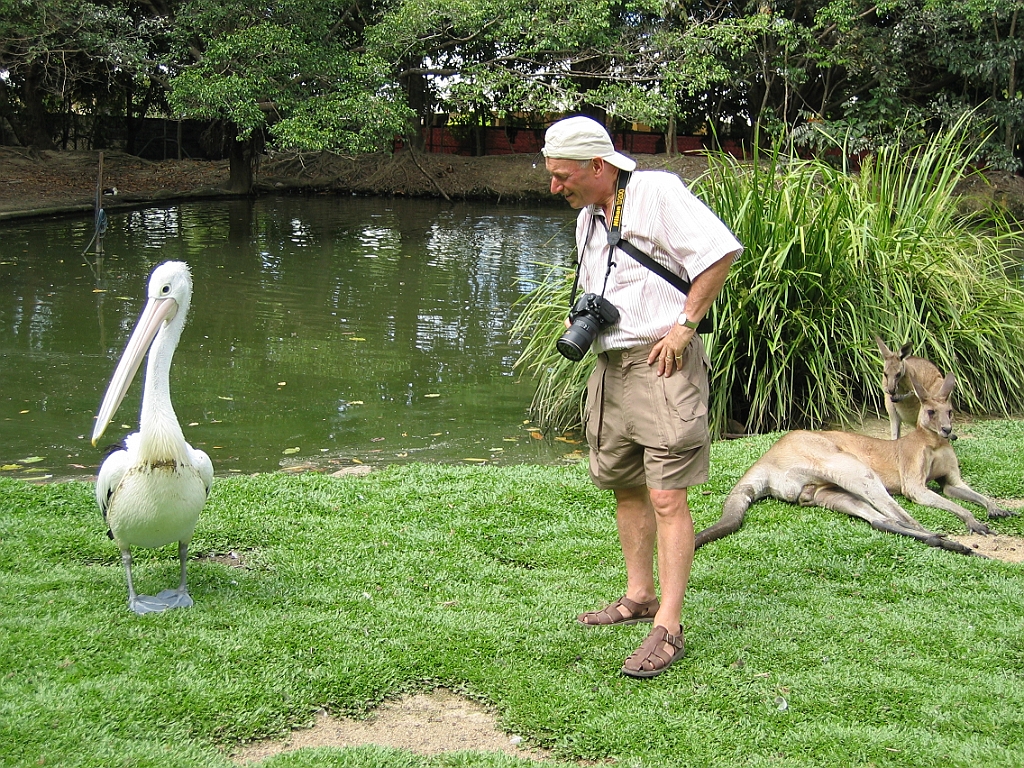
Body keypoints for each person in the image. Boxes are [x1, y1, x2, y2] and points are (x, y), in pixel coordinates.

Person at [542, 115, 742, 678]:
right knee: (625, 485)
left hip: (662, 363)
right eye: (552, 175)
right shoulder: (588, 217)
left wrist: (685, 325)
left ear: (597, 165)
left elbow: (719, 252)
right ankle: (640, 596)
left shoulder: (656, 192)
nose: (554, 187)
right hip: (611, 367)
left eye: (562, 176)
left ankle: (669, 627)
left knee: (666, 496)